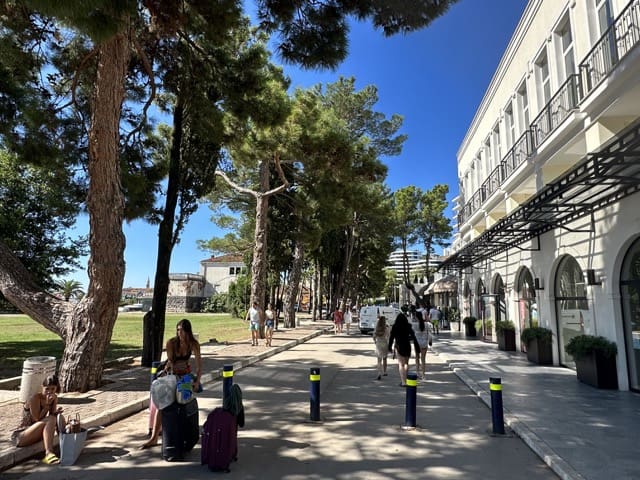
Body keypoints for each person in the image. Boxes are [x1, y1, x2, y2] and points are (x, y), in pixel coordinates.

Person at [141, 318, 202, 449]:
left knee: (184, 402)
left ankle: (184, 433)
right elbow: (171, 362)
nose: (180, 333)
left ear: (188, 331)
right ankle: (154, 437)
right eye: (178, 330)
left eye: (182, 331)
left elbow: (198, 365)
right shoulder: (172, 343)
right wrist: (171, 375)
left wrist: (197, 381)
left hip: (185, 377)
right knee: (163, 404)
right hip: (172, 376)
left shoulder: (193, 344)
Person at [11, 374, 64, 464]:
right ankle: (48, 453)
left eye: (52, 389)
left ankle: (65, 445)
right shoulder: (35, 398)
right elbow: (36, 419)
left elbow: (51, 417)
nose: (49, 392)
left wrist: (56, 412)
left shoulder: (53, 398)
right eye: (47, 389)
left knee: (59, 417)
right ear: (42, 387)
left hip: (37, 432)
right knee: (51, 419)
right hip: (22, 436)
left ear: (56, 388)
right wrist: (47, 405)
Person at [388, 313, 420, 387]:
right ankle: (406, 380)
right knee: (406, 363)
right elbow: (413, 336)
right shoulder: (408, 326)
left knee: (401, 364)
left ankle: (403, 382)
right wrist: (417, 347)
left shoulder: (395, 326)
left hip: (399, 346)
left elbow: (391, 337)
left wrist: (389, 347)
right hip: (407, 346)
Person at [412, 310, 434, 379]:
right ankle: (423, 375)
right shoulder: (427, 324)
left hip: (417, 344)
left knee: (417, 358)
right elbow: (430, 333)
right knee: (423, 359)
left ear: (416, 317)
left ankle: (417, 372)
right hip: (424, 343)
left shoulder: (414, 325)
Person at [373, 316, 390, 380]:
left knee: (379, 360)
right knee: (385, 359)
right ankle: (385, 371)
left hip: (379, 344)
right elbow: (388, 336)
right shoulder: (386, 328)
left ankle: (379, 373)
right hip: (385, 343)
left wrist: (375, 341)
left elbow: (374, 336)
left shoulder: (377, 328)